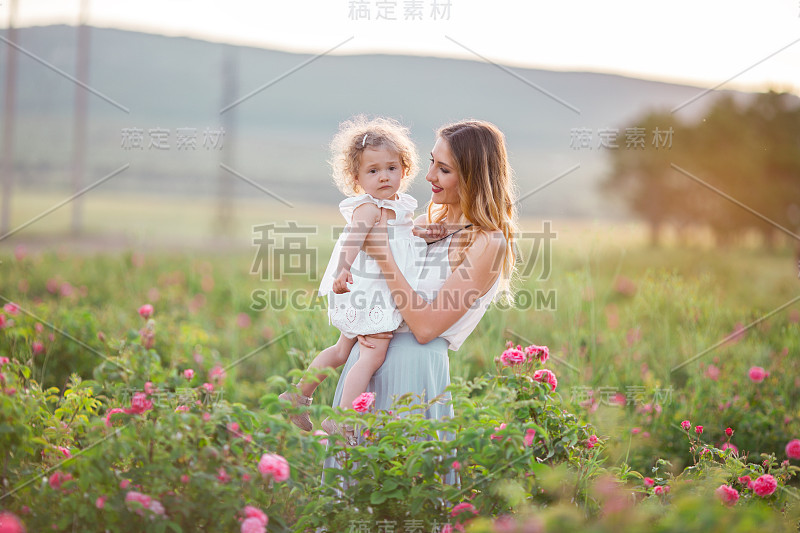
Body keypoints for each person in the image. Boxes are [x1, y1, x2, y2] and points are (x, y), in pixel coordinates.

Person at [321, 119, 518, 486]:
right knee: (354, 497)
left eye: (444, 170)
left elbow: (426, 327)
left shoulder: (488, 243)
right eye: (431, 162)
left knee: (406, 489)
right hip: (365, 366)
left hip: (415, 374)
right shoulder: (423, 222)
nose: (428, 176)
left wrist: (383, 256)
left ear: (474, 177)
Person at [279, 116, 446, 444]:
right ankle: (341, 418)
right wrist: (343, 269)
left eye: (392, 168)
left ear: (404, 169)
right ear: (356, 178)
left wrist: (426, 233)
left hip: (366, 290)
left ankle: (297, 396)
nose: (384, 176)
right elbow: (353, 239)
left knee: (342, 349)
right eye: (373, 171)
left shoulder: (397, 206)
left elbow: (403, 238)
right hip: (366, 289)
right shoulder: (368, 208)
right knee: (372, 355)